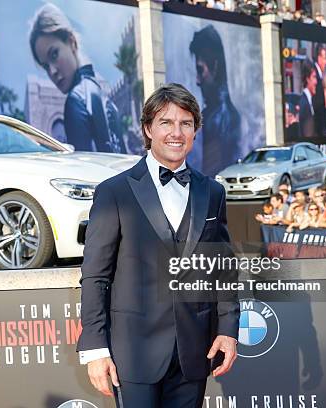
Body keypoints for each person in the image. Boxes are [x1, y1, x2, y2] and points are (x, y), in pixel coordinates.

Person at [78, 83, 239, 407]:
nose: (176, 133)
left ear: (195, 131)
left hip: (194, 350)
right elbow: (96, 275)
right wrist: (95, 348)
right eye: (166, 122)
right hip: (133, 353)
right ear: (148, 129)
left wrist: (227, 328)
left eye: (186, 123)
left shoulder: (212, 192)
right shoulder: (115, 192)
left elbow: (221, 268)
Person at [29, 4, 126, 154]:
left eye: (54, 54)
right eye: (45, 66)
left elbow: (83, 171)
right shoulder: (100, 94)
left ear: (71, 42)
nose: (52, 71)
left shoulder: (76, 100)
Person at [189, 25, 241, 176]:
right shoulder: (220, 114)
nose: (197, 81)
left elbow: (211, 177)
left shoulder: (219, 118)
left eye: (200, 70)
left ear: (216, 67)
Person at [313, 44, 326, 137]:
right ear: (319, 58)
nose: (325, 62)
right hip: (317, 128)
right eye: (324, 58)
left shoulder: (320, 75)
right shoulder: (314, 74)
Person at [299, 59, 317, 138]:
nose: (316, 81)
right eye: (314, 77)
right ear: (307, 79)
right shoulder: (305, 104)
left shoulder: (308, 101)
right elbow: (308, 137)